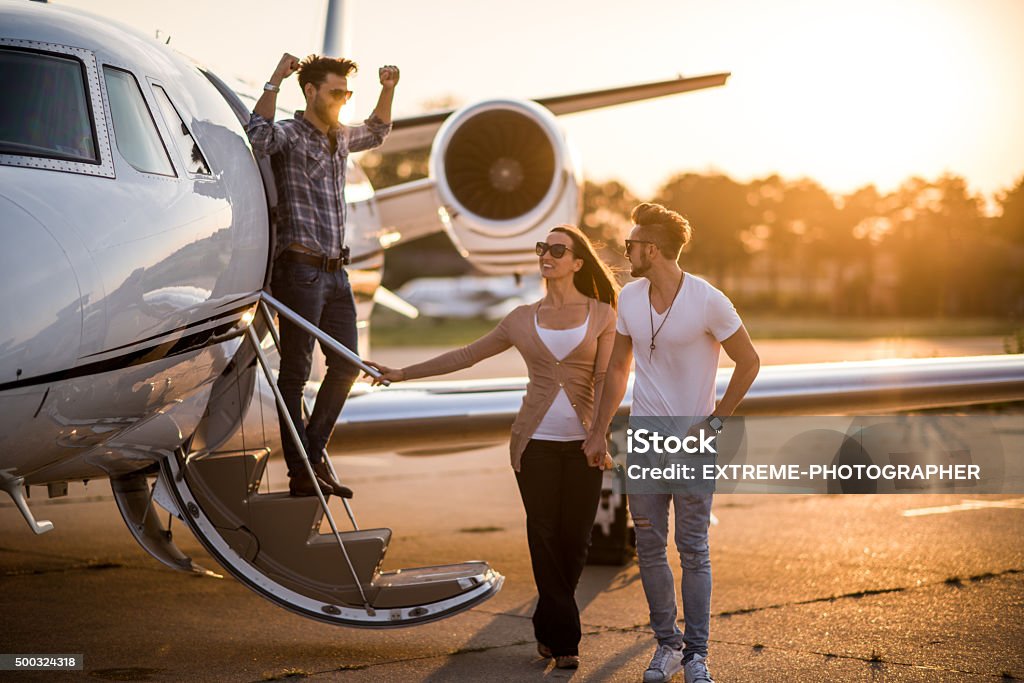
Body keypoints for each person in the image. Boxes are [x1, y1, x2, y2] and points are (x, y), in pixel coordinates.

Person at [367, 226, 618, 670]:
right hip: (533, 443)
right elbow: (466, 355)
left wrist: (599, 433)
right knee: (543, 534)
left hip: (584, 444)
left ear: (577, 262)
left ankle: (547, 623)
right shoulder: (521, 318)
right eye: (543, 247)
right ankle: (565, 641)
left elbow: (606, 379)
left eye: (558, 249)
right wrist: (402, 373)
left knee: (574, 540)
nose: (547, 255)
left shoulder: (602, 313)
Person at [583, 203, 760, 683]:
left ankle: (697, 655)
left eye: (632, 245)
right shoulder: (631, 298)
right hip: (644, 439)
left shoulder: (708, 300)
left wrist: (718, 421)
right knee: (650, 546)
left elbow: (749, 362)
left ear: (653, 250)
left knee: (694, 548)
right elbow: (618, 368)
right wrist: (599, 430)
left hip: (694, 441)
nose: (627, 252)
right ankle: (667, 645)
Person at [246, 54, 399, 497]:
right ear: (310, 91)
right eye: (335, 92)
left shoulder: (339, 136)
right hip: (300, 271)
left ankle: (310, 458)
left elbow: (378, 130)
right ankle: (303, 473)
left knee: (347, 364)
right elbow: (257, 135)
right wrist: (275, 78)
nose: (342, 100)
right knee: (295, 373)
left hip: (337, 275)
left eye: (346, 94)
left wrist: (387, 87)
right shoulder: (291, 135)